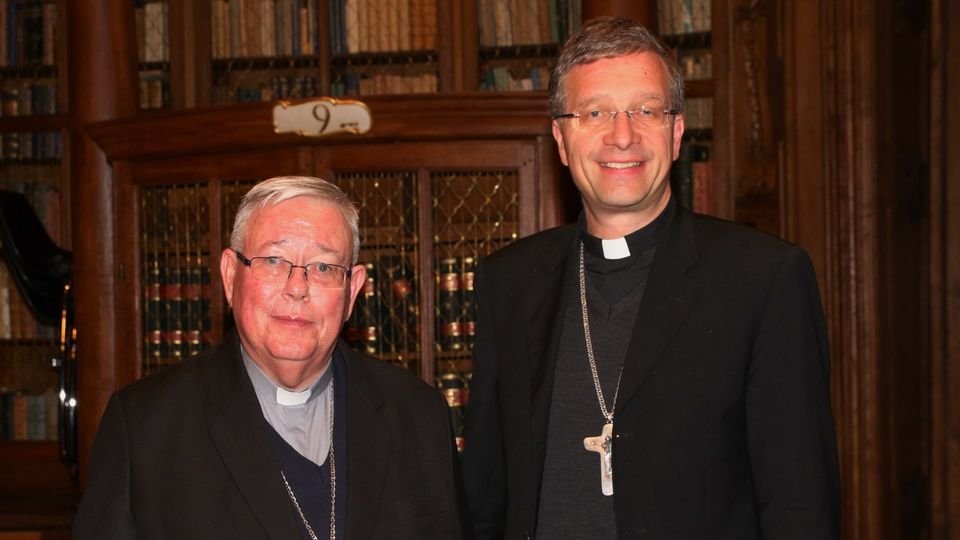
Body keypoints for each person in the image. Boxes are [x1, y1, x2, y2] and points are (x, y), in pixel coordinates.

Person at [461, 16, 841, 539]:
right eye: (595, 112)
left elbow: (800, 508)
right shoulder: (509, 281)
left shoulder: (763, 279)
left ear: (677, 131)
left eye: (646, 110)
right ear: (561, 139)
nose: (623, 135)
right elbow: (485, 492)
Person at [73, 176, 465, 539]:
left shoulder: (418, 413)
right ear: (230, 276)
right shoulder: (145, 427)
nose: (298, 288)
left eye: (324, 267)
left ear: (353, 290)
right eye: (273, 262)